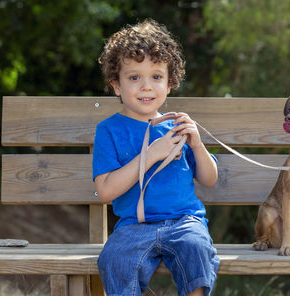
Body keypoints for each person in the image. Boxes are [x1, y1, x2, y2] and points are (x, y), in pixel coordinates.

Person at [92, 19, 219, 296]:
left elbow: (209, 179)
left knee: (197, 250)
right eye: (134, 77)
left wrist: (197, 144)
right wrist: (151, 154)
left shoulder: (177, 127)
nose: (146, 87)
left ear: (170, 84)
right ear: (116, 85)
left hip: (185, 222)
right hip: (134, 227)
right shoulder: (109, 130)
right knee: (114, 260)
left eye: (156, 77)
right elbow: (105, 191)